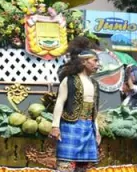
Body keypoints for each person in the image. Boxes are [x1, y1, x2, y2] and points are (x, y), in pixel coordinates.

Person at [49, 37, 101, 172]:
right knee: (65, 166)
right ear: (84, 61)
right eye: (95, 61)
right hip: (70, 126)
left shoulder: (95, 84)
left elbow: (94, 110)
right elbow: (59, 102)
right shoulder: (69, 80)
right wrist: (55, 126)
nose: (97, 64)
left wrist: (97, 131)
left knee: (83, 167)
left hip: (88, 128)